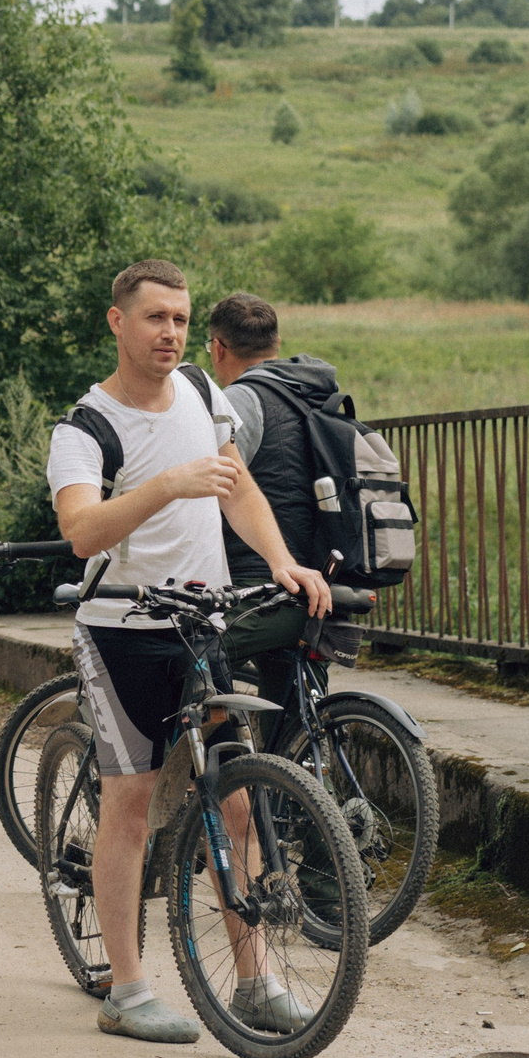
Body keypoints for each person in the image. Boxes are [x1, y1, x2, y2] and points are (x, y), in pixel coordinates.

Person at [48, 259, 330, 1044]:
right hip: (121, 635)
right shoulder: (86, 425)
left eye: (180, 318)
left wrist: (280, 560)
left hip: (200, 630)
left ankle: (256, 983)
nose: (170, 332)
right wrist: (168, 484)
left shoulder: (207, 393)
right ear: (118, 322)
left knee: (235, 801)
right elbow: (81, 532)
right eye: (154, 318)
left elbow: (235, 486)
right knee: (130, 807)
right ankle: (129, 992)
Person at [205, 292, 345, 739]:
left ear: (218, 348)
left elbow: (217, 488)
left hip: (264, 586)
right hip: (323, 581)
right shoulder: (313, 395)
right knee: (293, 731)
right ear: (277, 342)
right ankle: (300, 803)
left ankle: (218, 780)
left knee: (191, 654)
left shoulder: (239, 401)